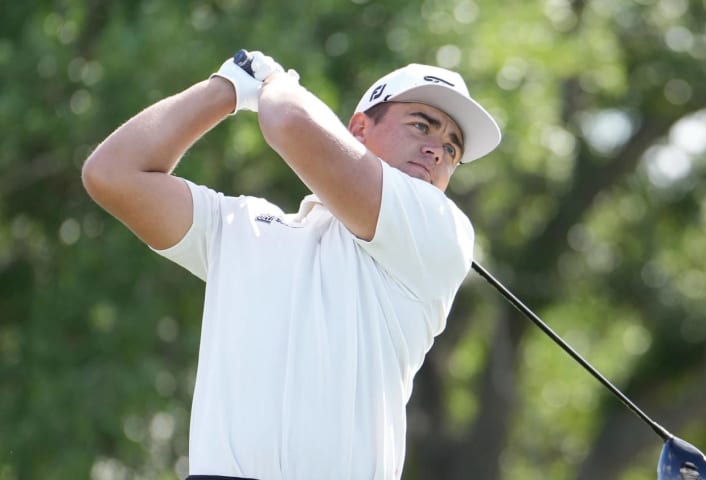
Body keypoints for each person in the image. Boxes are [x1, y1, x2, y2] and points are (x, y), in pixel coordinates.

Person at [82, 49, 501, 480]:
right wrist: (224, 88)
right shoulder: (242, 227)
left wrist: (273, 81)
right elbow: (112, 174)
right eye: (421, 126)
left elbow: (286, 121)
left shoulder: (440, 231)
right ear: (358, 129)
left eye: (452, 149)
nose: (437, 151)